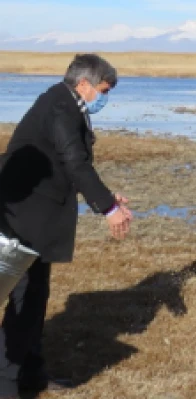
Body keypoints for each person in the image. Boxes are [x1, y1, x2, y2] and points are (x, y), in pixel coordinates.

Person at [0, 54, 133, 398]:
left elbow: (67, 165)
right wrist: (107, 209)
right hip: (23, 219)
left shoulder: (66, 104)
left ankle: (32, 373)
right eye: (104, 90)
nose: (105, 98)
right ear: (84, 84)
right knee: (24, 299)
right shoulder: (60, 105)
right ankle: (7, 384)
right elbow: (74, 161)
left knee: (35, 297)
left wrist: (107, 196)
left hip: (37, 220)